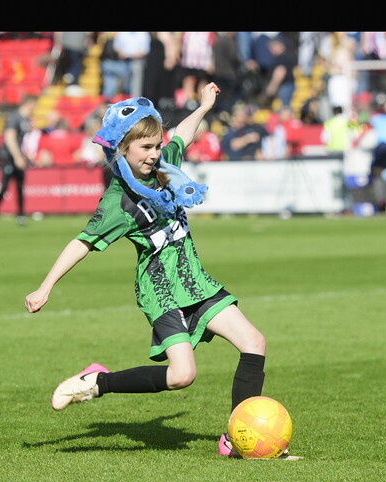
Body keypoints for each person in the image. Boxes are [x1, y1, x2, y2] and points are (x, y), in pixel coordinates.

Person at [24, 83, 275, 459]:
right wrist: (45, 287)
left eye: (157, 146)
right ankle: (95, 382)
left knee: (254, 343)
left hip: (195, 281)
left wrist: (204, 106)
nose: (155, 154)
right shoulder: (118, 201)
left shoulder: (164, 166)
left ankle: (236, 439)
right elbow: (83, 242)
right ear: (121, 149)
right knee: (181, 376)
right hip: (161, 290)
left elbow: (182, 136)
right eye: (146, 148)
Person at [0, 94, 38, 227]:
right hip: (8, 157)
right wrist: (17, 157)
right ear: (30, 103)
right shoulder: (14, 117)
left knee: (20, 186)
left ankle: (20, 215)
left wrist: (25, 154)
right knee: (4, 186)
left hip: (18, 156)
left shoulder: (25, 119)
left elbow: (23, 139)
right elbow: (9, 138)